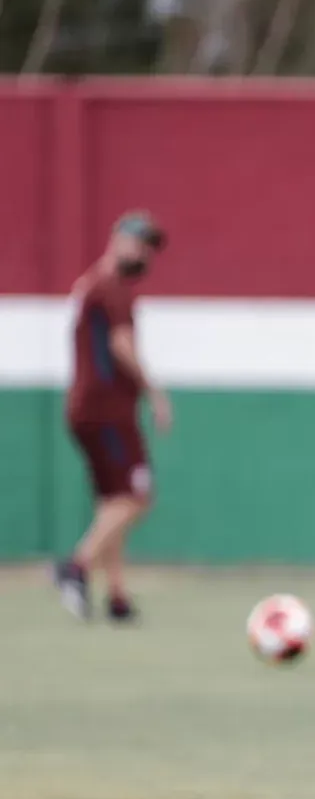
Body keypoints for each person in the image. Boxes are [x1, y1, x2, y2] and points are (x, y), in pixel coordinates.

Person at [54, 211, 172, 623]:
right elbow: (122, 346)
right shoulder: (111, 287)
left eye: (148, 249)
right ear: (117, 239)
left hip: (86, 409)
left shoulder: (90, 283)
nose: (144, 255)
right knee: (135, 497)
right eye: (139, 244)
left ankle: (117, 596)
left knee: (112, 502)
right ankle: (77, 566)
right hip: (107, 411)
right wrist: (154, 392)